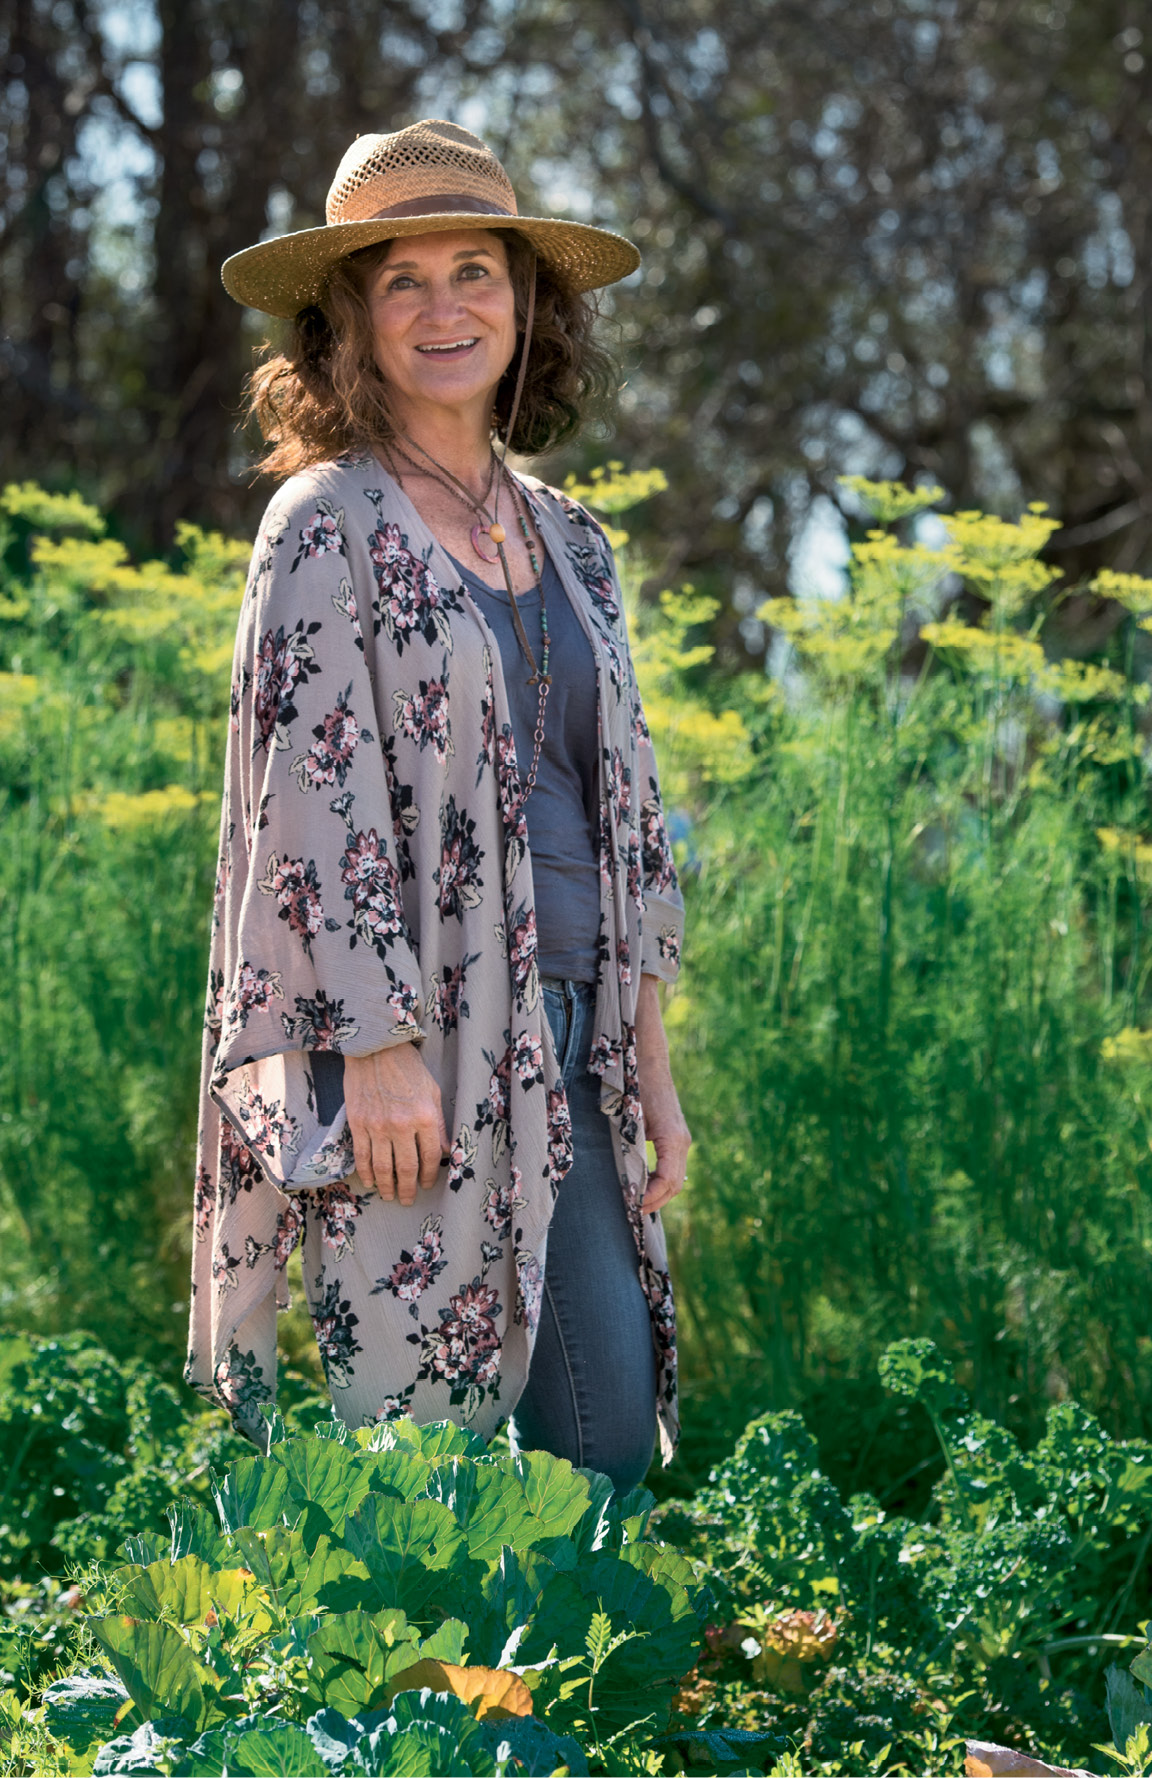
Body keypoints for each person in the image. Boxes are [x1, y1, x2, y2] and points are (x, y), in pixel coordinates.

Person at [185, 119, 690, 1490]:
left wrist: (652, 1069)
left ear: (530, 305)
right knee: (425, 1442)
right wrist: (377, 1045)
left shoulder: (573, 538)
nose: (445, 306)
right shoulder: (324, 521)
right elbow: (308, 805)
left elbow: (624, 819)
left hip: (576, 1035)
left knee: (598, 1438)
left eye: (477, 269)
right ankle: (387, 1704)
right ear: (349, 318)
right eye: (401, 280)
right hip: (418, 1039)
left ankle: (539, 1705)